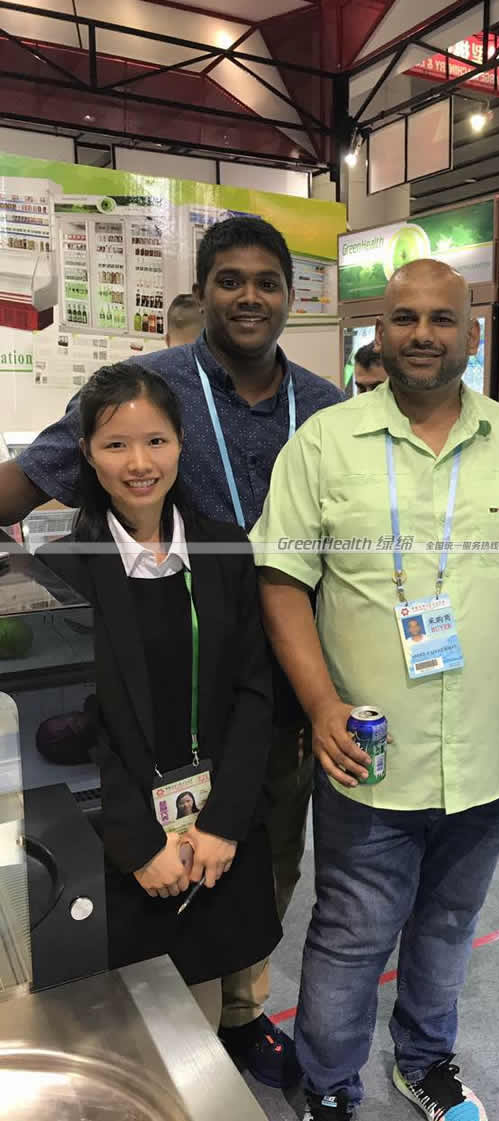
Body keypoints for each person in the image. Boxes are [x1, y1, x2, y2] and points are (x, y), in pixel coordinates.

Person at [0, 216, 344, 1085]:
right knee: (140, 876)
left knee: (264, 853)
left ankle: (241, 1014)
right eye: (230, 279)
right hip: (153, 662)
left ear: (290, 296)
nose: (249, 297)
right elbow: (34, 476)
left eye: (267, 281)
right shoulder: (152, 387)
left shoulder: (326, 407)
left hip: (281, 673)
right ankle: (147, 1030)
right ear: (202, 289)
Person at [251, 258, 499, 1121]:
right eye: (404, 318)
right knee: (352, 929)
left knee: (446, 923)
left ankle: (426, 1060)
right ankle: (329, 1083)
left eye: (442, 319)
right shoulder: (324, 443)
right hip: (369, 748)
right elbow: (282, 580)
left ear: (473, 334)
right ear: (380, 332)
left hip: (488, 748)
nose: (423, 334)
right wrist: (321, 704)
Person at [39, 362, 281, 1031]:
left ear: (181, 443)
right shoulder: (63, 571)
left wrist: (222, 823)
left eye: (156, 441)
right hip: (119, 843)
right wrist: (138, 844)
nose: (139, 463)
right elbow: (75, 728)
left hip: (214, 834)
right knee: (122, 1023)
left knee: (200, 1019)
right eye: (116, 444)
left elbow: (254, 694)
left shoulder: (225, 550)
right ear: (87, 452)